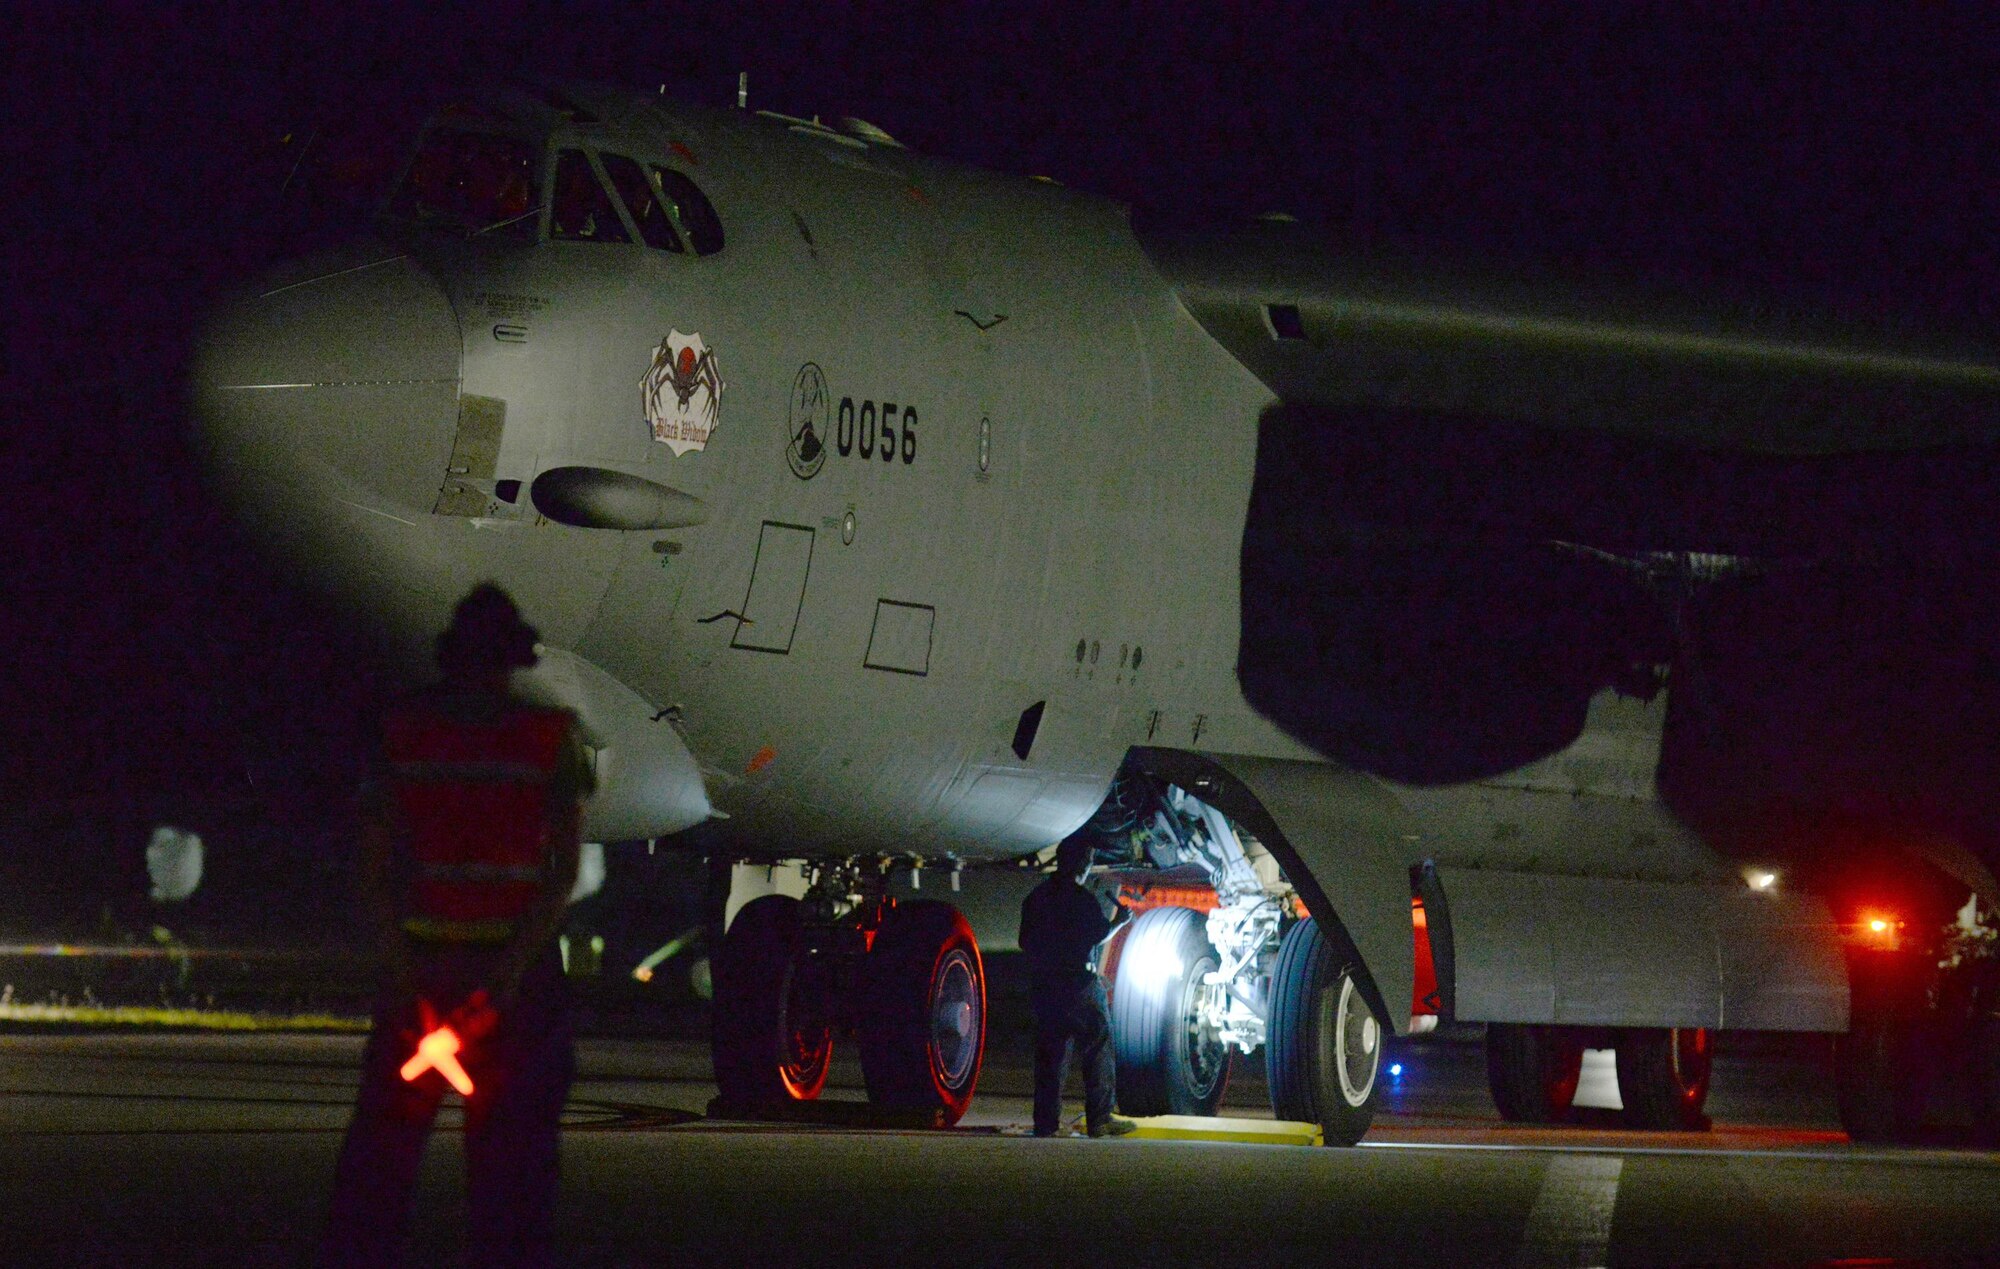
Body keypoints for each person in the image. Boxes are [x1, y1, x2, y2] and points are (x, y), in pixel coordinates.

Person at [325, 584, 595, 1267]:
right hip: (514, 987)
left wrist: (406, 981)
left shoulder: (403, 733)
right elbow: (561, 874)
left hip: (422, 970)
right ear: (513, 659)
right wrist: (504, 976)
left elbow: (372, 869)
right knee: (514, 1179)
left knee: (378, 1173)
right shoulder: (549, 739)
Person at [1018, 835, 1136, 1138]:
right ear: (1082, 863)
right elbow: (1096, 936)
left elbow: (1025, 942)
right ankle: (1100, 1119)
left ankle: (1045, 1124)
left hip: (1046, 986)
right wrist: (1120, 921)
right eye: (1089, 859)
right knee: (1098, 1047)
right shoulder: (1082, 900)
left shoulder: (1037, 897)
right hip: (1080, 985)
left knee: (1050, 1057)